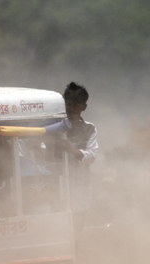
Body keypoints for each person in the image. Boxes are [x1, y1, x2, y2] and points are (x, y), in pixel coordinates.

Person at [44, 82, 99, 243]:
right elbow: (40, 152)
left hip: (79, 189)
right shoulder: (52, 127)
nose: (71, 108)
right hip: (55, 187)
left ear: (84, 107)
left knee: (75, 232)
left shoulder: (89, 129)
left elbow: (92, 155)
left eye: (76, 105)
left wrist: (71, 150)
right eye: (68, 104)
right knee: (54, 231)